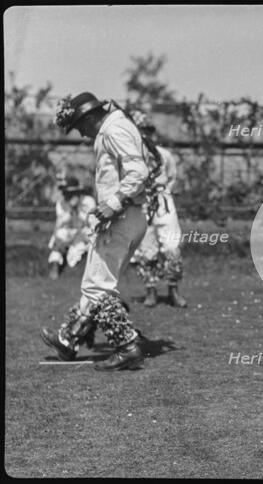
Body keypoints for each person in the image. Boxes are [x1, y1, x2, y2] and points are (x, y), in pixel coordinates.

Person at [41, 92, 151, 371]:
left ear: (90, 117)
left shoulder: (113, 129)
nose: (81, 133)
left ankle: (127, 347)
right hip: (130, 215)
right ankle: (69, 340)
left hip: (122, 216)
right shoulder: (117, 126)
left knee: (98, 285)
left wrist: (113, 204)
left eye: (79, 126)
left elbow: (138, 171)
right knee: (97, 279)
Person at [128, 110, 187, 308]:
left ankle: (173, 290)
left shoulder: (164, 155)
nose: (144, 136)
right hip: (142, 204)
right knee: (146, 249)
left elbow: (172, 177)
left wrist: (163, 193)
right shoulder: (130, 158)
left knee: (171, 246)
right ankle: (150, 291)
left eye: (147, 131)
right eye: (139, 131)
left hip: (163, 204)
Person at [47, 175, 96, 279]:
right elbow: (59, 225)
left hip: (84, 233)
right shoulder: (61, 203)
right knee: (59, 236)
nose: (67, 196)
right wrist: (70, 210)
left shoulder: (88, 201)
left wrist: (78, 210)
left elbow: (92, 223)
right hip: (70, 232)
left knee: (89, 240)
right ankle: (55, 263)